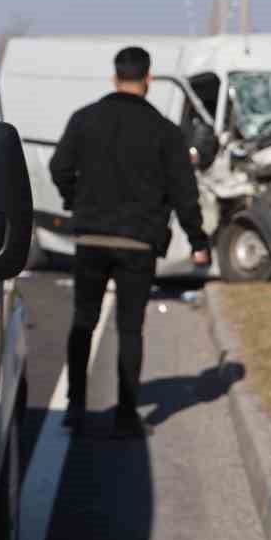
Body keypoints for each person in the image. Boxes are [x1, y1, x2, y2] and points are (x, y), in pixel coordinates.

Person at [50, 46, 210, 438]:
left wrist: (76, 200)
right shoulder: (166, 132)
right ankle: (125, 415)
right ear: (148, 79)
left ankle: (75, 407)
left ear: (114, 77)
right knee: (130, 328)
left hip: (91, 235)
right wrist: (197, 240)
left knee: (82, 323)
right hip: (139, 242)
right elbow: (184, 193)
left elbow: (60, 167)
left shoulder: (84, 119)